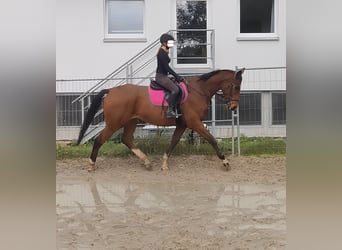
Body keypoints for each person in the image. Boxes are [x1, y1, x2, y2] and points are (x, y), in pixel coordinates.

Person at [156, 33, 184, 118]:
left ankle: (176, 108)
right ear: (164, 43)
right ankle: (170, 111)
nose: (172, 44)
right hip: (161, 77)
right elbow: (166, 67)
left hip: (164, 75)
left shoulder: (164, 51)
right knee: (175, 89)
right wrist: (176, 76)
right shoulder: (161, 53)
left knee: (178, 86)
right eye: (170, 42)